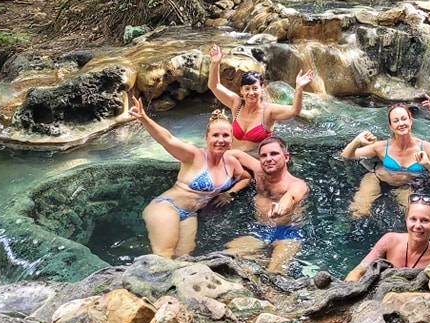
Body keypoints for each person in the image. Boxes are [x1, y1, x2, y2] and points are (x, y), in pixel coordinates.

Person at [129, 96, 251, 258]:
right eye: (215, 135)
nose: (220, 140)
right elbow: (167, 139)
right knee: (164, 255)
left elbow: (246, 177)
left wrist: (230, 193)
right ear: (206, 138)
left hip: (190, 215)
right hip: (167, 206)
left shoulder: (231, 162)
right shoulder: (194, 155)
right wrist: (144, 118)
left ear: (231, 139)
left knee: (184, 260)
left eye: (225, 136)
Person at [341, 104, 430, 217]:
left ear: (411, 121)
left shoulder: (425, 147)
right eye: (396, 121)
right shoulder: (381, 147)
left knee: (415, 216)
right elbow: (346, 155)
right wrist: (357, 141)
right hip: (377, 179)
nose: (401, 124)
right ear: (390, 126)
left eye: (404, 119)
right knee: (358, 212)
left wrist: (428, 164)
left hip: (405, 185)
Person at [226, 136, 309, 273]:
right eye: (263, 156)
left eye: (274, 154)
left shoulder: (297, 184)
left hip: (288, 232)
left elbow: (292, 197)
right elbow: (233, 154)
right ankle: (260, 260)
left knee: (274, 273)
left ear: (286, 157)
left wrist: (281, 208)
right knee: (229, 257)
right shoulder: (259, 171)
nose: (268, 159)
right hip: (260, 230)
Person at [208, 43, 315, 150]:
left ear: (262, 88)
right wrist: (215, 63)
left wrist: (299, 88)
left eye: (255, 88)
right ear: (241, 90)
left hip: (255, 161)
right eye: (247, 89)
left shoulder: (268, 111)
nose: (251, 93)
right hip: (232, 158)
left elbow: (294, 110)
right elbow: (214, 85)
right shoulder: (236, 104)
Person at [345, 193, 430, 281]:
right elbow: (357, 272)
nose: (417, 226)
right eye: (413, 219)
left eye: (424, 220)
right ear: (406, 219)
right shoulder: (390, 240)